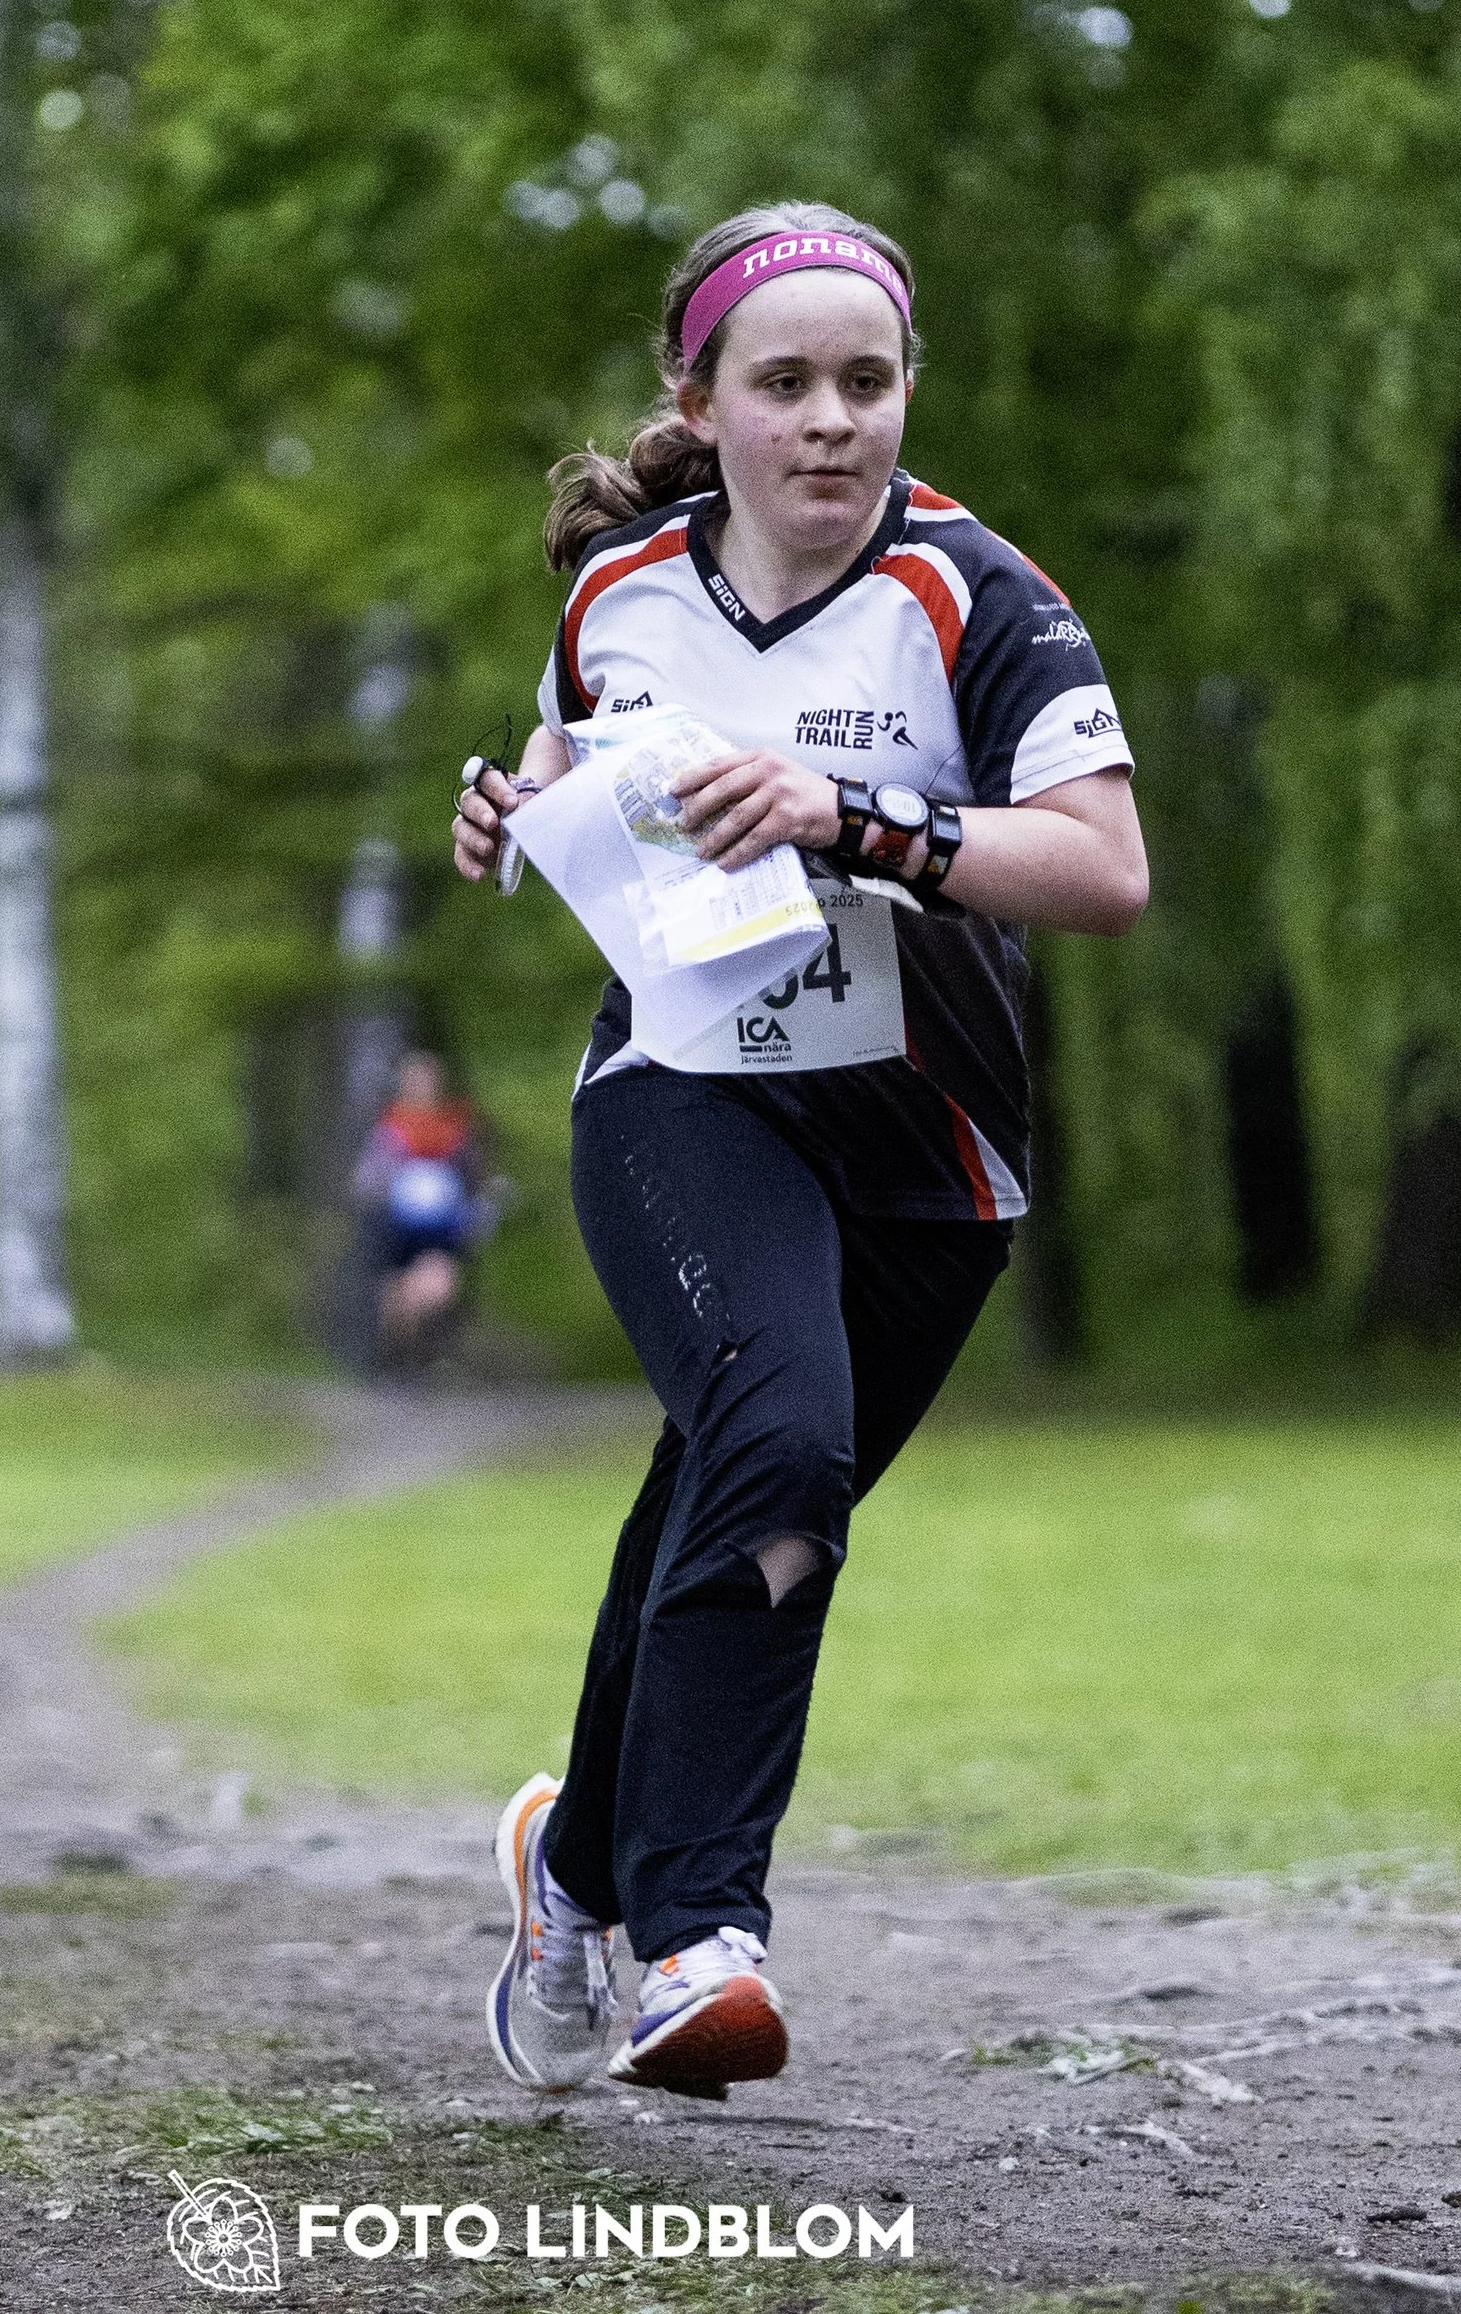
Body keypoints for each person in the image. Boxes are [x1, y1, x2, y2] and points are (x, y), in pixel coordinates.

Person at [452, 201, 1146, 2100]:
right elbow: (582, 783)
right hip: (686, 1090)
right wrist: (511, 807)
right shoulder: (621, 592)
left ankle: (572, 1862)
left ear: (907, 390)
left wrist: (859, 821)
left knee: (738, 1492)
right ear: (707, 400)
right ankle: (699, 1938)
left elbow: (1103, 872)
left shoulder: (981, 597)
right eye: (787, 384)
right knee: (777, 1458)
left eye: (869, 380)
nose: (833, 421)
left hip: (930, 1145)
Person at [349, 1050, 492, 1370]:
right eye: (415, 1080)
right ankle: (396, 1359)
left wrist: (476, 1206)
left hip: (439, 1225)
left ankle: (421, 1359)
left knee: (439, 1289)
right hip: (395, 1224)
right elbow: (367, 1179)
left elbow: (473, 1175)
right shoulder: (389, 1127)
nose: (422, 1086)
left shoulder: (454, 1127)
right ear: (403, 1083)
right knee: (396, 1295)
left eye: (428, 1080)